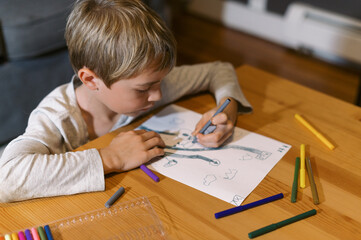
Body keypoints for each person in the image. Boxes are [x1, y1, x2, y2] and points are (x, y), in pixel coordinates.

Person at [0, 0, 252, 203]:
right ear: (90, 80)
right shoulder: (56, 117)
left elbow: (219, 70)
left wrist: (226, 109)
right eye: (144, 89)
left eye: (159, 82)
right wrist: (111, 158)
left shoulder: (154, 82)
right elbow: (7, 179)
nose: (158, 95)